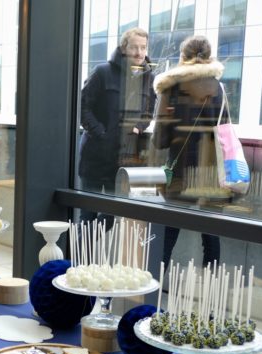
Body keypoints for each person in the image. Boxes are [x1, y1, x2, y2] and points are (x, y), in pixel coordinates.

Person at [152, 35, 224, 268]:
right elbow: (224, 130)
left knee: (168, 232)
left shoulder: (170, 87)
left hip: (180, 171)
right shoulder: (219, 88)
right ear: (209, 55)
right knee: (211, 234)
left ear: (182, 57)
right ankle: (210, 291)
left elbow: (159, 140)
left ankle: (156, 284)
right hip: (211, 172)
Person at [78, 27, 156, 231]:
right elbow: (82, 107)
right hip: (95, 157)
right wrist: (101, 133)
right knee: (87, 217)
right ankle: (80, 259)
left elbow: (149, 111)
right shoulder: (103, 72)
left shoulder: (148, 76)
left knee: (111, 216)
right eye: (134, 48)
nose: (140, 53)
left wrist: (139, 127)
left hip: (122, 160)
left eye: (143, 47)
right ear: (124, 48)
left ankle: (92, 259)